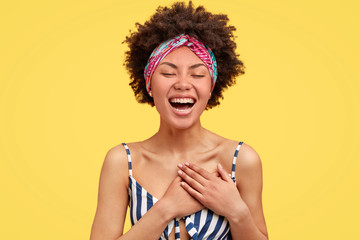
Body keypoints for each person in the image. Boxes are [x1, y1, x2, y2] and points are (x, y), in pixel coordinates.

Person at [90, 1, 268, 239]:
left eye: (197, 74)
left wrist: (237, 211)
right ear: (150, 85)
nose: (183, 83)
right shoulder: (122, 161)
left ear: (211, 87)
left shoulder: (242, 159)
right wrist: (166, 208)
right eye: (168, 72)